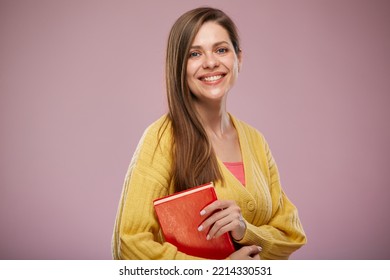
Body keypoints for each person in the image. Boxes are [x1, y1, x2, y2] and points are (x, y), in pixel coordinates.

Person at [112, 7, 306, 260]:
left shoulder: (256, 140)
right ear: (179, 66)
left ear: (239, 58)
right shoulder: (162, 138)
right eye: (195, 53)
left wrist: (243, 230)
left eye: (221, 49)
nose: (211, 62)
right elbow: (130, 244)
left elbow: (289, 235)